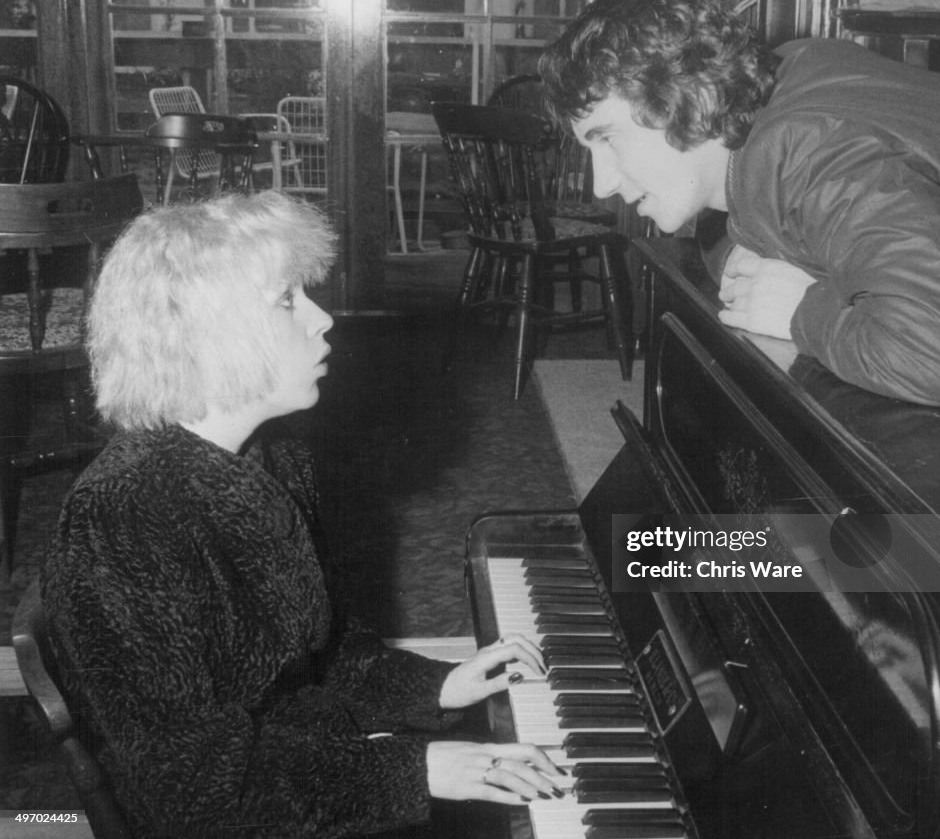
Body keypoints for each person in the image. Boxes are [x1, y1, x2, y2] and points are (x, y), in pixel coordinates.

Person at [41, 191, 564, 839]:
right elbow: (191, 794)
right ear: (210, 334)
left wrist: (438, 686)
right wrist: (412, 769)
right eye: (288, 299)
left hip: (296, 761)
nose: (323, 319)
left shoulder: (274, 455)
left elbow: (323, 647)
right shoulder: (124, 518)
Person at [539, 0, 940, 406]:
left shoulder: (807, 151)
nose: (601, 183)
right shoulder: (782, 77)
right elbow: (735, 224)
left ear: (693, 98)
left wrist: (800, 310)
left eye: (607, 138)